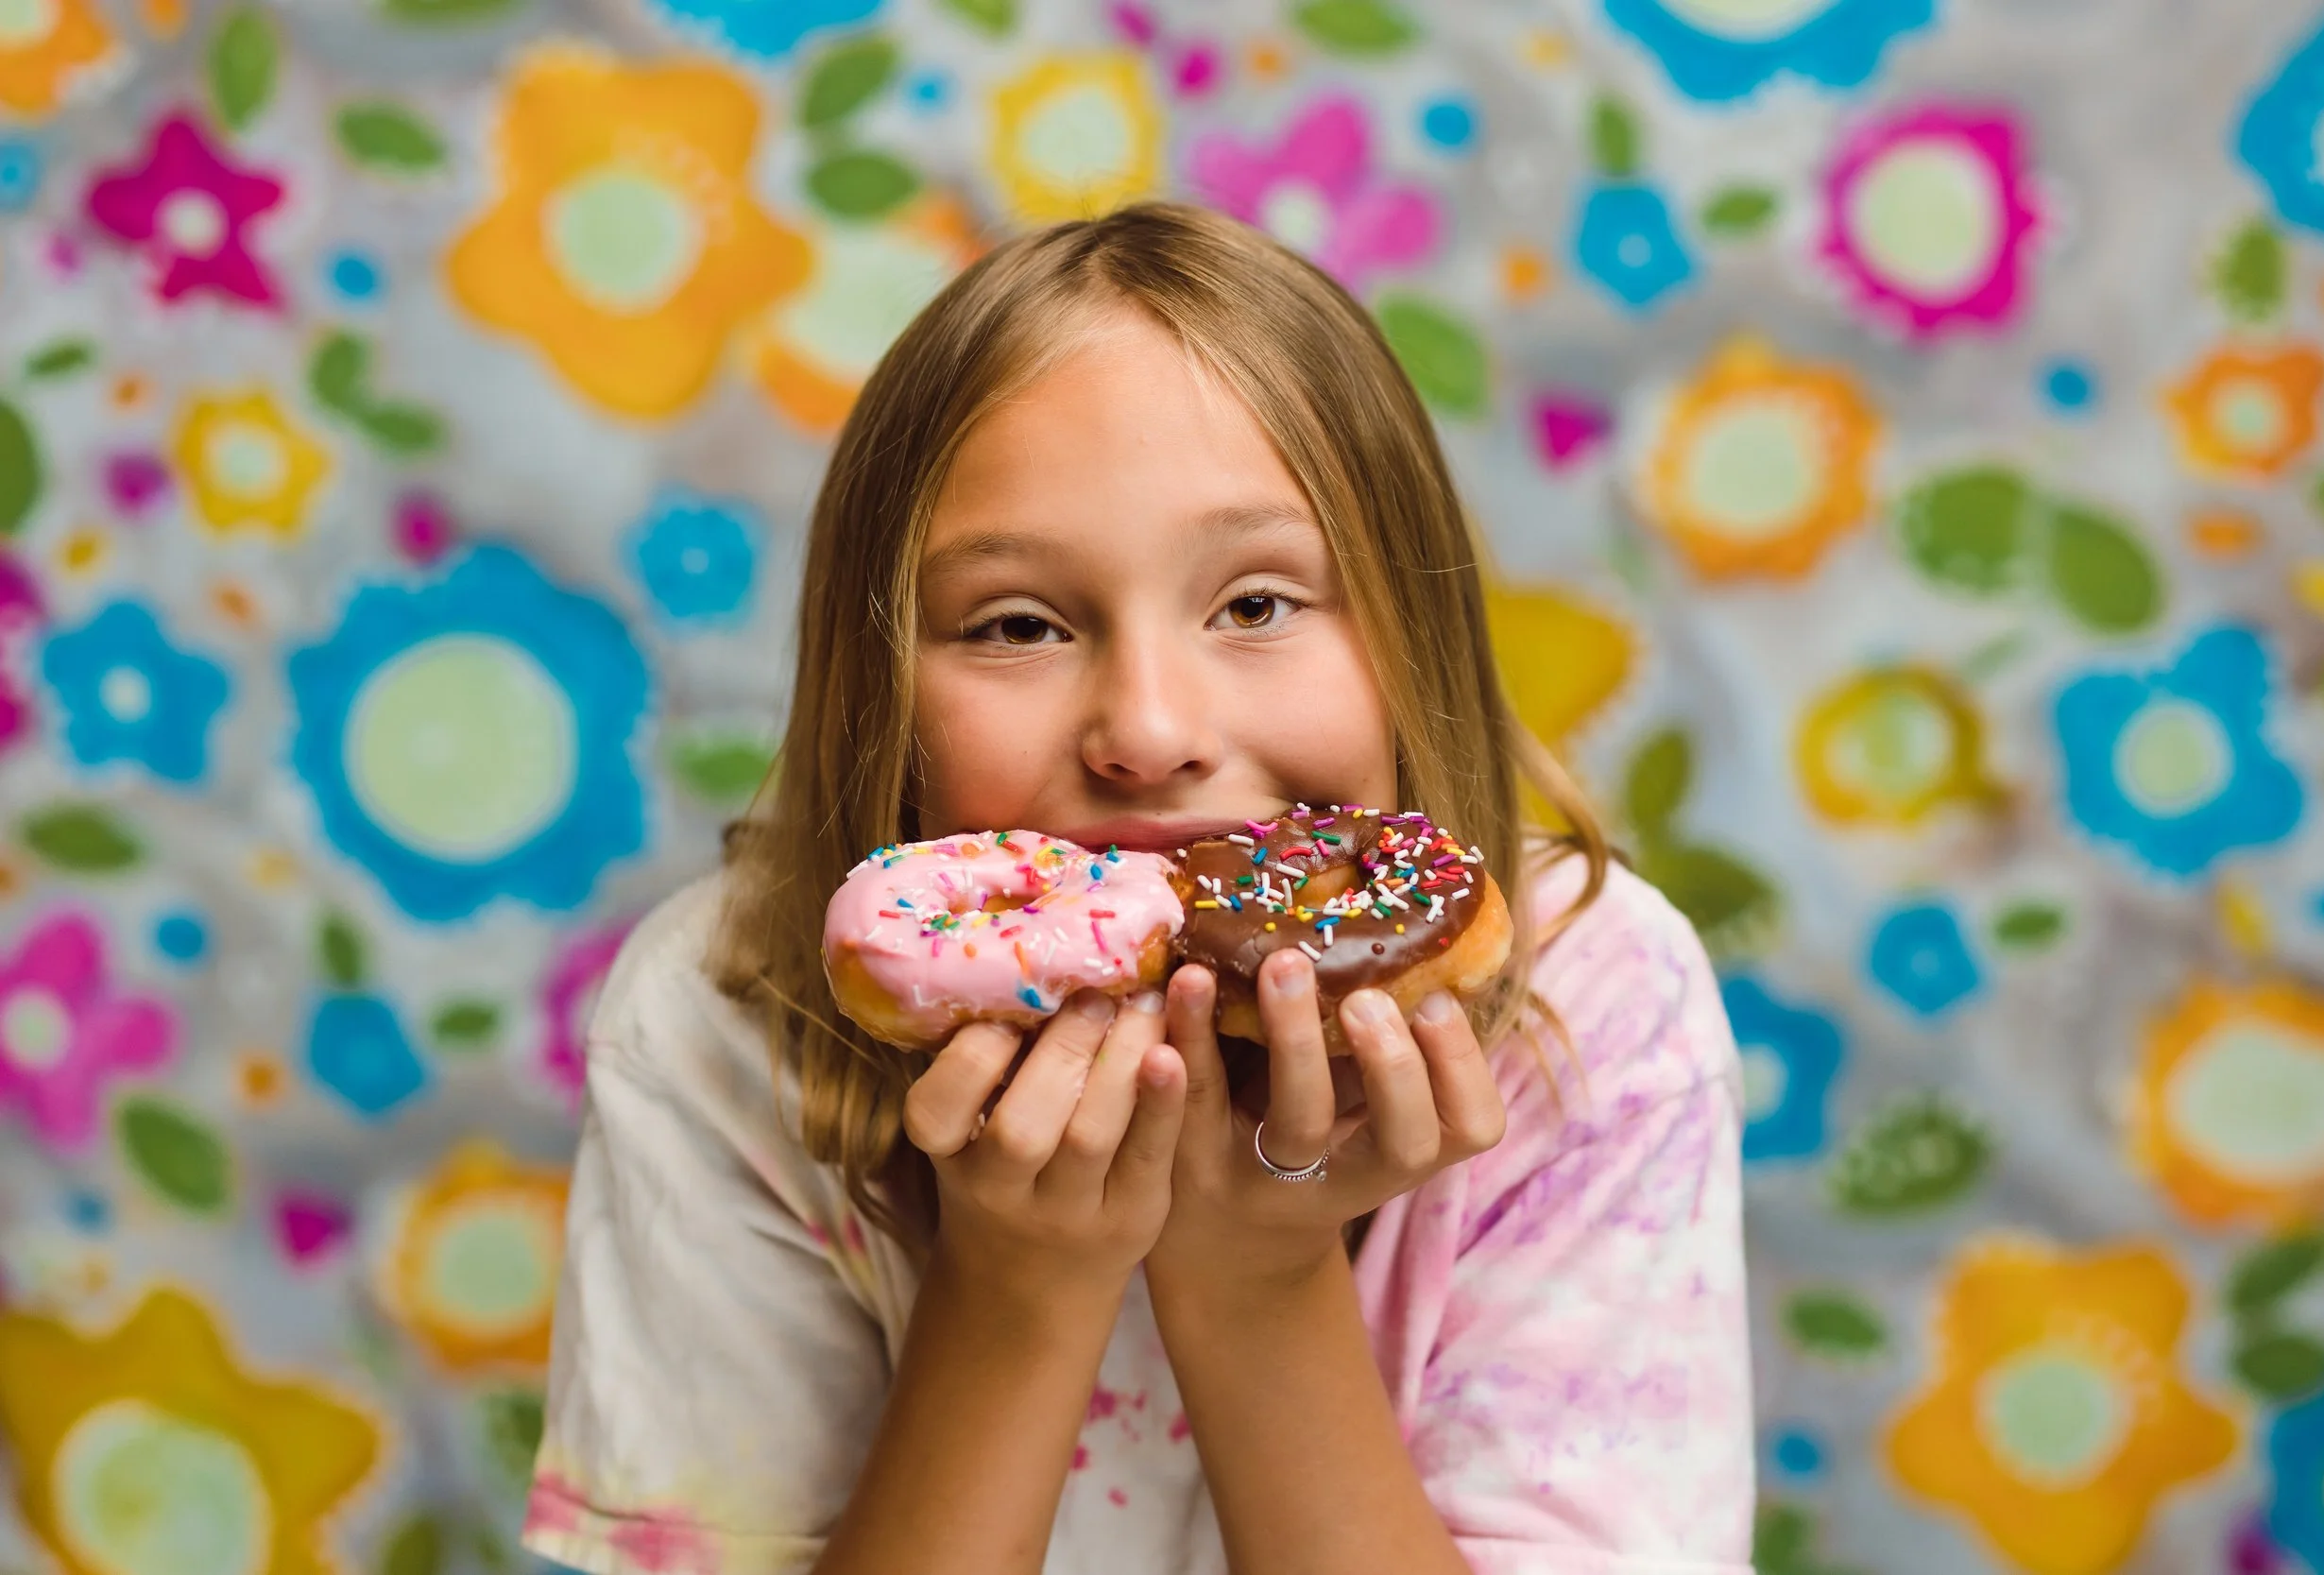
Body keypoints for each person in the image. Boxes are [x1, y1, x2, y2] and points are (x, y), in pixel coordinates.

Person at [521, 201, 1752, 1575]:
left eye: (1257, 605)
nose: (1151, 731)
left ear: (1412, 634)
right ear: (883, 696)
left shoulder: (1589, 1001)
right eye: (1020, 625)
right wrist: (1015, 1291)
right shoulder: (725, 1019)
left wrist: (1260, 1280)